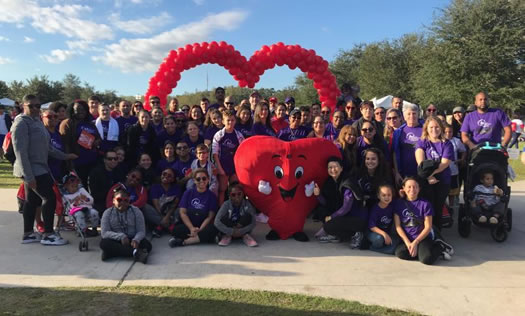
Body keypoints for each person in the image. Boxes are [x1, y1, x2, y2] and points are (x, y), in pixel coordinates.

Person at [12, 94, 76, 245]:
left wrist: (65, 156)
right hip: (31, 169)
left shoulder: (37, 121)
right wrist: (28, 176)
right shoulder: (21, 123)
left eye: (38, 106)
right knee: (49, 197)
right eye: (31, 106)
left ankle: (28, 234)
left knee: (31, 200)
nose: (35, 109)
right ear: (23, 106)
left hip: (39, 166)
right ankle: (48, 234)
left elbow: (48, 148)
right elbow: (20, 152)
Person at [394, 177, 453, 264]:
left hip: (423, 237)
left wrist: (415, 242)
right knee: (400, 253)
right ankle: (421, 252)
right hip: (408, 238)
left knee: (426, 259)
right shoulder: (398, 203)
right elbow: (398, 226)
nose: (412, 189)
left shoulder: (425, 204)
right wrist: (408, 242)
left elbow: (428, 227)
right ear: (403, 188)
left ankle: (439, 247)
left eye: (415, 187)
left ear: (419, 189)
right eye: (409, 187)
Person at [313, 157, 367, 248]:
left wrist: (331, 217)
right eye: (330, 167)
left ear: (341, 168)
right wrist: (318, 195)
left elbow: (346, 207)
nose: (333, 170)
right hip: (345, 217)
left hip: (357, 218)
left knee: (329, 225)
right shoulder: (330, 182)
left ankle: (357, 233)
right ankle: (336, 236)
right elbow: (326, 203)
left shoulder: (347, 182)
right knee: (322, 211)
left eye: (335, 167)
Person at [415, 117, 453, 230]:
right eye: (431, 127)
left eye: (437, 127)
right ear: (426, 128)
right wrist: (428, 177)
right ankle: (426, 231)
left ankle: (437, 231)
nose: (434, 129)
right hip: (426, 180)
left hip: (442, 180)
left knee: (438, 207)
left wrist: (431, 174)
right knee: (426, 206)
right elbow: (421, 163)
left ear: (441, 128)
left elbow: (445, 163)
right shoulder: (422, 142)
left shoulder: (447, 144)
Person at [168, 168, 218, 247]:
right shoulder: (188, 193)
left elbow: (210, 216)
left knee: (213, 229)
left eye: (204, 178)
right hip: (189, 225)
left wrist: (200, 230)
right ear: (194, 181)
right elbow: (182, 212)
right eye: (198, 179)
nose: (201, 181)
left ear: (208, 180)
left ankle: (185, 242)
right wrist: (191, 228)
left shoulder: (212, 196)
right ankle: (202, 238)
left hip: (203, 226)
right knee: (175, 230)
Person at [100, 187, 151, 263]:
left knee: (147, 245)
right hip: (116, 240)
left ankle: (112, 253)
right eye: (119, 200)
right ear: (113, 201)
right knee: (104, 243)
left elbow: (141, 231)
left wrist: (136, 239)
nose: (123, 203)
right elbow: (104, 233)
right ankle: (136, 253)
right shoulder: (107, 213)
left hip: (132, 239)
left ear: (129, 201)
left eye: (126, 200)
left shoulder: (136, 211)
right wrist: (121, 237)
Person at [59, 100, 101, 187]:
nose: (81, 111)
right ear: (72, 110)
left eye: (83, 109)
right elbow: (65, 143)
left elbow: (98, 138)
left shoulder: (90, 124)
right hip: (77, 162)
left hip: (92, 160)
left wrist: (96, 142)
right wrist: (69, 163)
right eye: (78, 109)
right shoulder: (67, 123)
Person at [212, 110, 245, 205]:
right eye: (228, 120)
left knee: (236, 189)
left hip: (235, 166)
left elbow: (243, 151)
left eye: (232, 120)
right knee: (222, 190)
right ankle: (220, 210)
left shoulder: (238, 135)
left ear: (235, 121)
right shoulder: (219, 135)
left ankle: (236, 208)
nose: (230, 122)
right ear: (223, 121)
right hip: (223, 165)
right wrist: (219, 168)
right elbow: (215, 153)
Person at [214, 182, 258, 247]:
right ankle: (227, 236)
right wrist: (231, 232)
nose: (237, 196)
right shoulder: (226, 204)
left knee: (248, 216)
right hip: (230, 227)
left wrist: (241, 232)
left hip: (242, 227)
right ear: (229, 195)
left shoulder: (247, 204)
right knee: (223, 218)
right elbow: (216, 222)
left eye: (239, 194)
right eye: (233, 195)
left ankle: (245, 236)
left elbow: (253, 222)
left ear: (243, 194)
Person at [392, 103, 423, 184]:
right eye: (408, 114)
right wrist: (397, 172)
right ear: (404, 116)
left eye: (414, 113)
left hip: (422, 171)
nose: (411, 116)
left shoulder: (425, 129)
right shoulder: (398, 132)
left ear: (418, 114)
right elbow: (395, 152)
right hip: (404, 171)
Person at [61, 172, 99, 237]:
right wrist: (75, 202)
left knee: (94, 212)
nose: (74, 188)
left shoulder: (81, 190)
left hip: (86, 208)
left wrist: (86, 199)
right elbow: (67, 207)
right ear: (66, 186)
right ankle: (82, 230)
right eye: (72, 186)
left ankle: (94, 228)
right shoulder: (66, 196)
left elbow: (91, 200)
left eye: (76, 186)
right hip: (74, 211)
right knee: (79, 214)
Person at [88, 150, 124, 214]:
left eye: (115, 159)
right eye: (110, 159)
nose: (113, 161)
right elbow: (95, 194)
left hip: (119, 201)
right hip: (101, 203)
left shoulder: (120, 171)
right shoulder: (95, 173)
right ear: (104, 160)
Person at [149, 167, 182, 236]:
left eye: (169, 176)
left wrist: (167, 217)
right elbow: (156, 205)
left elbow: (175, 205)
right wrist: (164, 218)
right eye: (164, 174)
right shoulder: (155, 187)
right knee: (146, 208)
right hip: (159, 212)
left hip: (171, 213)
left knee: (180, 209)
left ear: (173, 179)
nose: (166, 176)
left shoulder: (177, 188)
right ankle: (169, 227)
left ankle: (160, 227)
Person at [367, 184, 398, 254]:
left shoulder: (393, 205)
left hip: (387, 232)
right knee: (379, 239)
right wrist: (384, 234)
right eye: (383, 195)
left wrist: (402, 195)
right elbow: (372, 226)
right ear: (378, 196)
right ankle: (372, 247)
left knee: (396, 241)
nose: (387, 197)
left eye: (389, 195)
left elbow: (402, 201)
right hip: (374, 233)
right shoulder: (375, 209)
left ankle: (388, 249)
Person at [444, 123, 466, 211]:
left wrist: (461, 160)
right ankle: (444, 208)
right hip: (443, 170)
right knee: (443, 190)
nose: (448, 134)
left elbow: (464, 151)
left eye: (450, 132)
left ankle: (451, 207)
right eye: (446, 132)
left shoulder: (456, 141)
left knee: (452, 191)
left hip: (453, 170)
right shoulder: (440, 140)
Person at [42, 109, 66, 181]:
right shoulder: (41, 133)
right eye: (49, 117)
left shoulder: (59, 133)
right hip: (45, 172)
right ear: (42, 118)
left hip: (59, 172)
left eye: (55, 116)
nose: (53, 118)